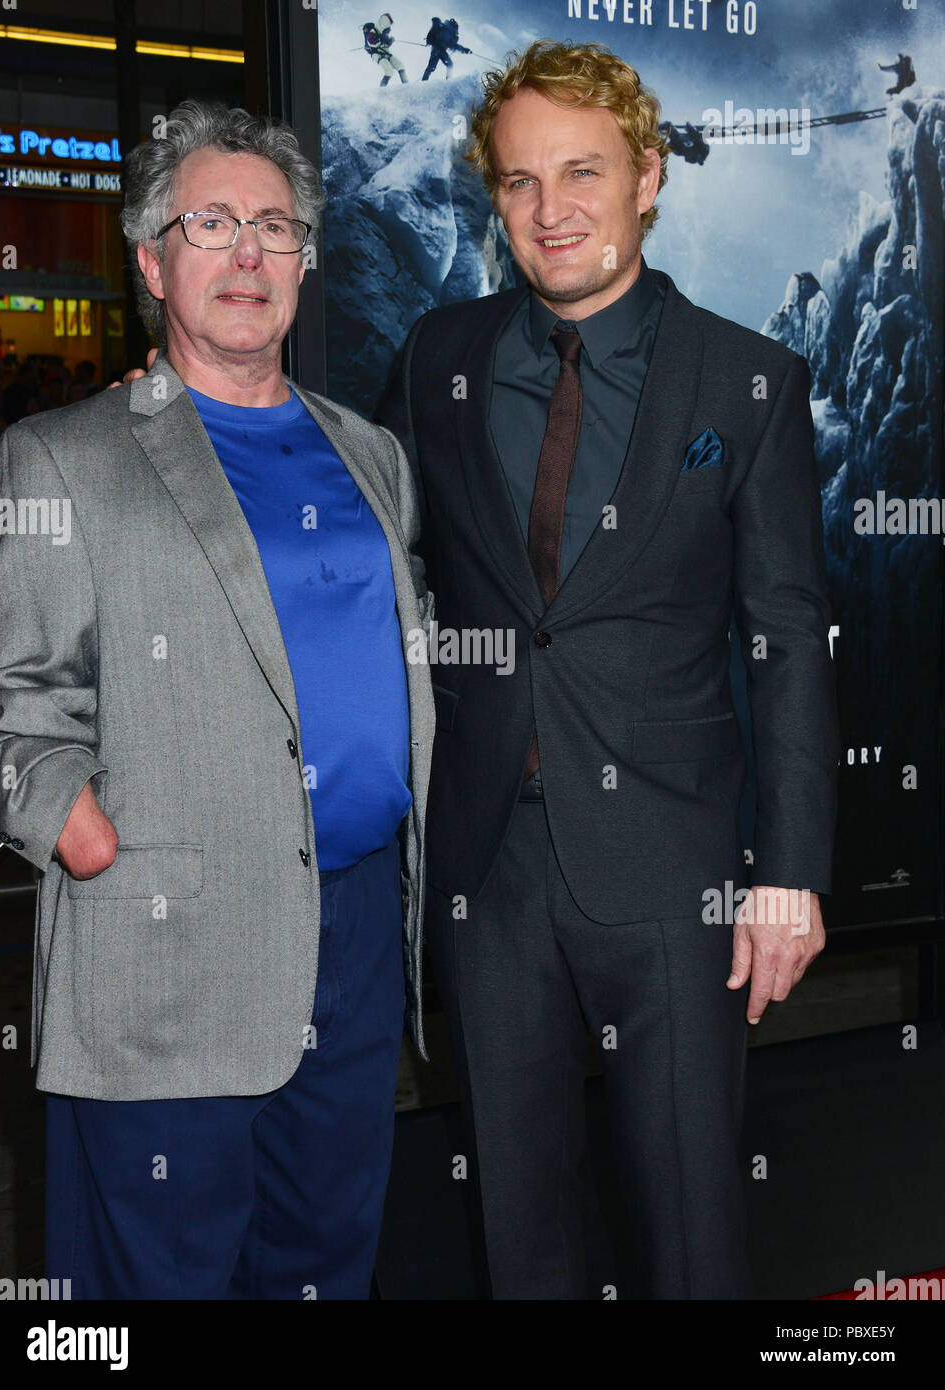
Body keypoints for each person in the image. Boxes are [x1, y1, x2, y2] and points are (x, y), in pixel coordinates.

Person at [377, 40, 839, 1299]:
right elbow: (368, 525)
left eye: (581, 171)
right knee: (515, 1234)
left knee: (690, 1230)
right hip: (489, 872)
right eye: (519, 182)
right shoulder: (439, 360)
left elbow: (787, 632)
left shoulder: (746, 380)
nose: (550, 209)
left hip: (673, 875)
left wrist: (788, 870)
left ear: (647, 178)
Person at [0, 99, 434, 1300]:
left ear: (304, 261)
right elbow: (14, 694)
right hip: (161, 944)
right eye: (213, 222)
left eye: (275, 228)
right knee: (155, 1282)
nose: (246, 255)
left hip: (352, 944)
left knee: (322, 1264)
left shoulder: (368, 453)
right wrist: (75, 833)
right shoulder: (63, 456)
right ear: (149, 258)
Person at [363, 13, 408, 87]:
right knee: (389, 71)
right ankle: (382, 88)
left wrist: (390, 41)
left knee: (400, 65)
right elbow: (372, 43)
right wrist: (385, 41)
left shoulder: (382, 32)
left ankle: (406, 84)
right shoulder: (373, 33)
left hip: (386, 53)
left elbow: (386, 44)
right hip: (377, 54)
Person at [422, 17, 471, 81]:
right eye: (457, 29)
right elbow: (452, 45)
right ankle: (448, 80)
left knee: (432, 67)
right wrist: (464, 50)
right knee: (448, 64)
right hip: (438, 50)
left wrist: (464, 50)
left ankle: (424, 80)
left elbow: (451, 45)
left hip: (437, 50)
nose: (457, 32)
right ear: (454, 27)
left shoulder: (445, 29)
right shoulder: (447, 32)